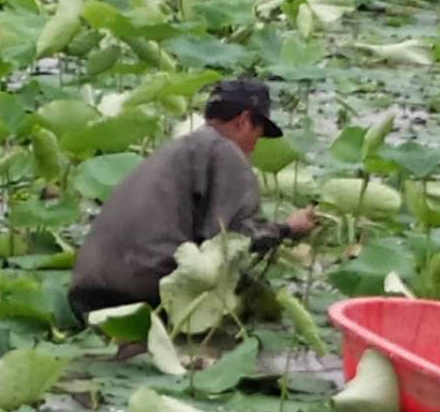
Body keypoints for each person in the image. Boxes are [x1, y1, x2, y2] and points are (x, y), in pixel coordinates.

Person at [68, 78, 317, 320]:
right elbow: (232, 240)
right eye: (257, 134)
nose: (255, 145)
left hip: (86, 294)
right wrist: (287, 229)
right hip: (140, 293)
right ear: (243, 121)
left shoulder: (176, 149)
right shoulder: (225, 151)